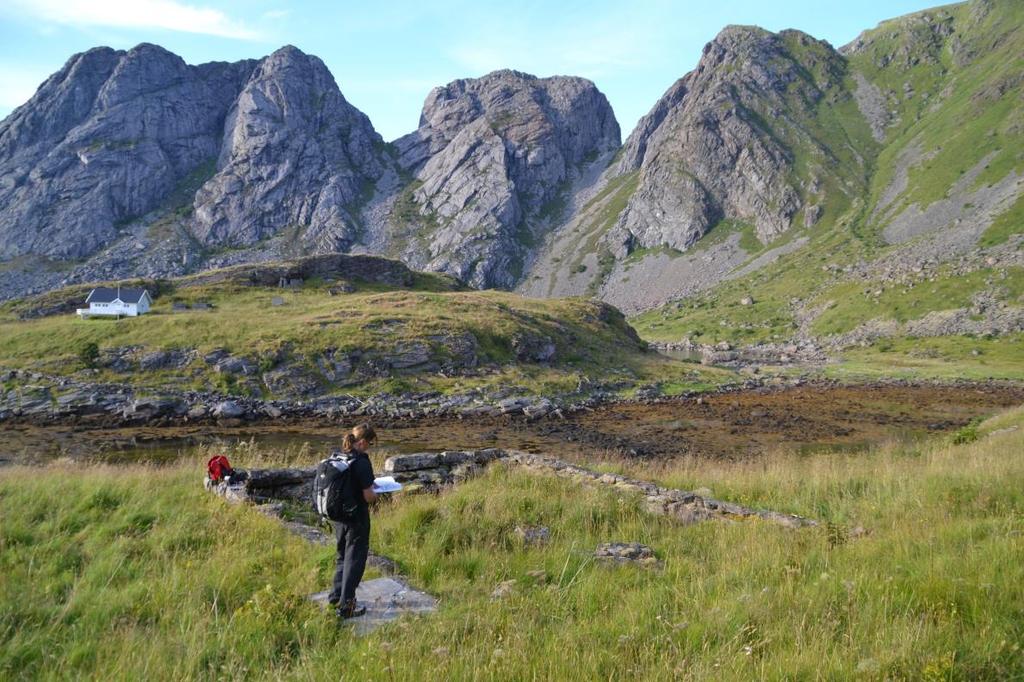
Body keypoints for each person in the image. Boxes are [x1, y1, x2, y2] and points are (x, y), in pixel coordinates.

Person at [328, 423, 378, 619]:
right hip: (356, 517)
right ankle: (347, 607)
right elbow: (368, 496)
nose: (370, 448)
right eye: (371, 444)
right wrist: (378, 495)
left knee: (342, 557)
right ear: (363, 442)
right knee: (355, 561)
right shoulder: (361, 461)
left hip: (339, 518)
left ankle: (335, 598)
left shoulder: (339, 456)